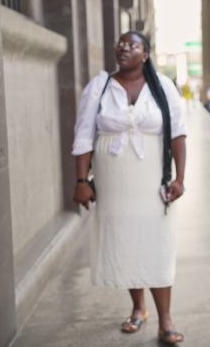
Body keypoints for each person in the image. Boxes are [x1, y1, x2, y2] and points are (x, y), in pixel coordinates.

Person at [72, 31, 187, 345]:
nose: (124, 48)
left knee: (157, 243)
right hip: (115, 180)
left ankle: (166, 318)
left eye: (132, 44)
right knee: (125, 241)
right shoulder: (100, 86)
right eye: (120, 44)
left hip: (152, 178)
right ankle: (138, 308)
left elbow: (178, 133)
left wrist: (180, 178)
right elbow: (83, 136)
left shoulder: (162, 86)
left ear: (145, 53)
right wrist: (82, 181)